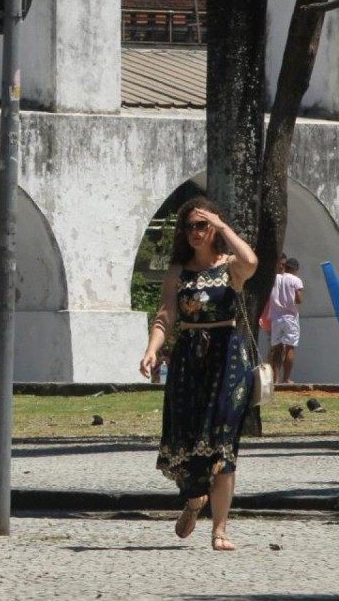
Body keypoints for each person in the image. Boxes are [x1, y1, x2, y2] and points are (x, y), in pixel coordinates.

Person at [140, 197, 257, 551]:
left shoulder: (231, 267)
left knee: (223, 446)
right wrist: (151, 348)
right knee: (187, 441)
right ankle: (193, 500)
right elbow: (165, 316)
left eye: (201, 225)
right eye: (189, 226)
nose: (195, 232)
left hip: (228, 362)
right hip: (189, 361)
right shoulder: (178, 272)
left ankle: (219, 530)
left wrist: (222, 226)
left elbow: (252, 261)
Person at [268, 255, 304, 383]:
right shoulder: (296, 280)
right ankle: (287, 378)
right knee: (290, 347)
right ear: (295, 269)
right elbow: (299, 300)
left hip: (276, 318)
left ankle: (275, 379)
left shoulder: (275, 278)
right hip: (290, 317)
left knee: (277, 348)